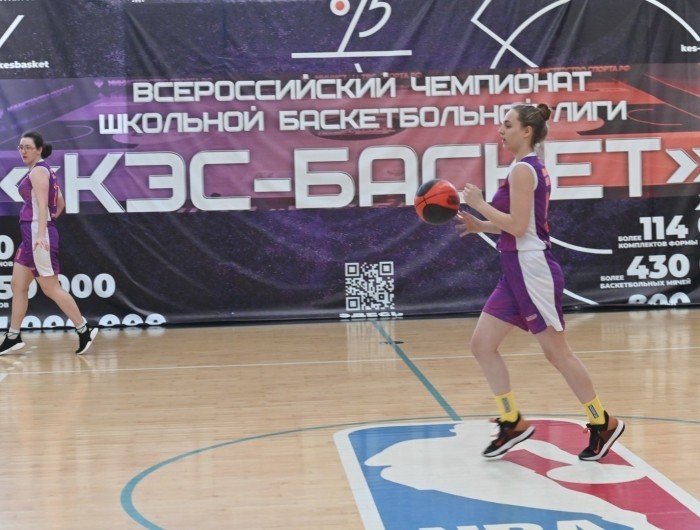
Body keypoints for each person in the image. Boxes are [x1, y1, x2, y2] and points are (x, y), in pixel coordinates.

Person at [454, 103, 624, 461]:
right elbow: (520, 225)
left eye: (507, 125)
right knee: (482, 345)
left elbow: (518, 227)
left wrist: (480, 204)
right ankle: (512, 420)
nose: (501, 130)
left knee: (557, 353)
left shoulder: (524, 170)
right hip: (514, 268)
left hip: (533, 270)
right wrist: (481, 225)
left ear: (526, 131)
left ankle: (602, 421)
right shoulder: (522, 167)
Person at [0, 131, 98, 356]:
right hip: (32, 236)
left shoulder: (38, 172)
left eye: (28, 147)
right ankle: (13, 336)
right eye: (20, 147)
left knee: (50, 287)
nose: (23, 151)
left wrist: (42, 233)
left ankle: (84, 329)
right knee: (18, 285)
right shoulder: (43, 171)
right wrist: (44, 227)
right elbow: (60, 203)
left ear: (39, 149)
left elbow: (44, 205)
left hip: (37, 236)